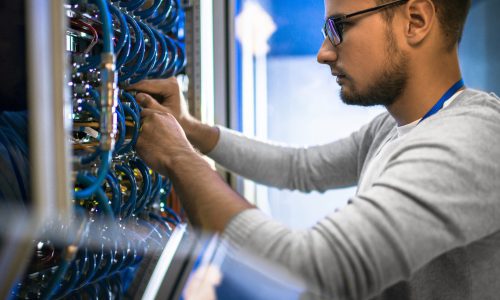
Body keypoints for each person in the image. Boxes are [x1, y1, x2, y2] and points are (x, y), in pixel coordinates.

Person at [129, 0, 500, 298]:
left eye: (338, 28)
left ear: (415, 21)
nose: (323, 53)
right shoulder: (393, 127)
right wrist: (190, 129)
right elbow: (300, 167)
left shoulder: (473, 139)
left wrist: (179, 158)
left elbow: (311, 272)